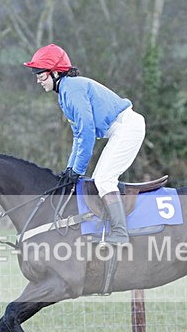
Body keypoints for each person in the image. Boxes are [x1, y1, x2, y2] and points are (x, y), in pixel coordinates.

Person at [23, 44, 145, 245]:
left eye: (40, 74)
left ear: (55, 73)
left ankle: (121, 234)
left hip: (128, 128)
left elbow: (87, 133)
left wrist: (77, 170)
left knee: (103, 180)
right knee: (99, 179)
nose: (37, 80)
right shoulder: (65, 92)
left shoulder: (72, 89)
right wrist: (70, 169)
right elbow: (78, 137)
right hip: (121, 129)